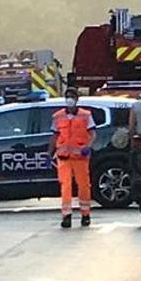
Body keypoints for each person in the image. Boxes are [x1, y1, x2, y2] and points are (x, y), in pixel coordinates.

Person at [47, 87, 96, 228]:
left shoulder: (86, 115)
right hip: (63, 158)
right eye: (67, 96)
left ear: (77, 99)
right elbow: (55, 135)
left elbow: (93, 134)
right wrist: (49, 153)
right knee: (65, 186)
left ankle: (85, 214)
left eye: (72, 96)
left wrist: (88, 146)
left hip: (80, 157)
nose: (69, 99)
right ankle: (66, 215)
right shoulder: (58, 116)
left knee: (84, 186)